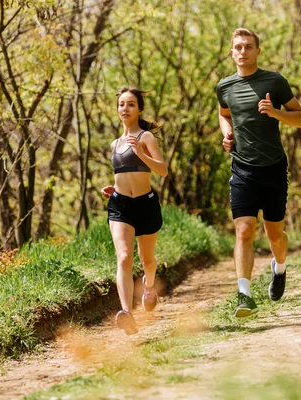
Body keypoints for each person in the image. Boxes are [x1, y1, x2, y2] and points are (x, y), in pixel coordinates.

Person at [216, 28, 301, 317]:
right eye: (238, 47)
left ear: (258, 51)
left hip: (273, 169)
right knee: (243, 230)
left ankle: (279, 269)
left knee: (275, 236)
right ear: (232, 52)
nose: (243, 52)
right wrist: (227, 134)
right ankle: (244, 295)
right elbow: (223, 113)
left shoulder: (274, 81)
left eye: (248, 47)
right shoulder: (225, 87)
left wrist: (275, 112)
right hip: (242, 168)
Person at [101, 87, 168, 335]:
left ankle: (149, 286)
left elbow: (162, 170)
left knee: (147, 260)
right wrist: (114, 188)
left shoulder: (146, 138)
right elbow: (123, 173)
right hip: (120, 205)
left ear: (139, 109)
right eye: (121, 104)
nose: (125, 109)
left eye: (130, 104)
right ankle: (127, 313)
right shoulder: (115, 143)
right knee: (124, 257)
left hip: (146, 204)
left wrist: (141, 153)